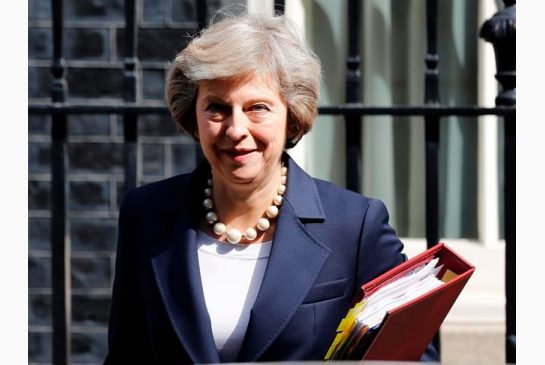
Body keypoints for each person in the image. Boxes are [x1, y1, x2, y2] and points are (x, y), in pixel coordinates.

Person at [104, 12, 438, 364]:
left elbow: (410, 357)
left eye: (257, 107)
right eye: (216, 108)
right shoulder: (146, 215)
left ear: (292, 115)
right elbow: (127, 354)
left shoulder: (355, 226)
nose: (236, 129)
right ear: (193, 115)